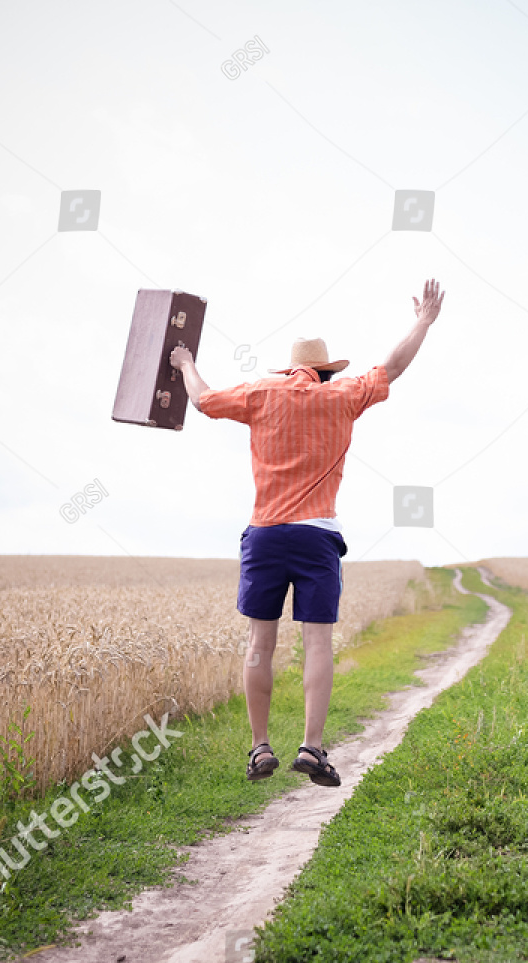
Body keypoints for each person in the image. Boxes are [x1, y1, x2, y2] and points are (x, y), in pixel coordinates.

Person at [169, 279, 445, 787]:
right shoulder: (342, 395)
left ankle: (259, 748)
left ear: (290, 368)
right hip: (317, 536)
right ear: (323, 371)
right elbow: (395, 367)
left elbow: (203, 400)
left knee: (259, 642)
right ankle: (313, 749)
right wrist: (424, 319)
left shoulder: (259, 393)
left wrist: (185, 362)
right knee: (318, 643)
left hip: (265, 533)